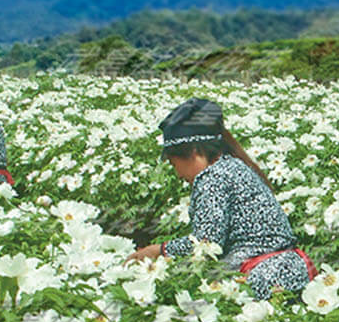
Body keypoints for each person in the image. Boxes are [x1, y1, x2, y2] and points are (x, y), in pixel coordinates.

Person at [127, 98, 315, 300]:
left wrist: (159, 250)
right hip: (289, 271)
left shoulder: (212, 178)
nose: (179, 174)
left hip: (261, 278)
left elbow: (207, 243)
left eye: (174, 164)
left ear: (193, 151)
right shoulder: (233, 165)